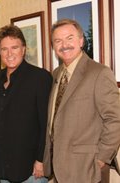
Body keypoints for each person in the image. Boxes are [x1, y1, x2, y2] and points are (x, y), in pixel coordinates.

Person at [43, 19, 120, 183]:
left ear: (81, 40)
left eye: (69, 38)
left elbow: (114, 119)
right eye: (58, 40)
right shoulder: (55, 74)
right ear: (54, 46)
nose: (64, 45)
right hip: (58, 168)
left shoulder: (99, 73)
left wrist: (101, 158)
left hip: (87, 169)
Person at [0, 25, 52, 183]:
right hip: (3, 165)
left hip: (30, 168)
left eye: (14, 47)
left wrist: (41, 160)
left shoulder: (40, 78)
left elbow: (46, 124)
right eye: (4, 49)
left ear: (23, 49)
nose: (9, 54)